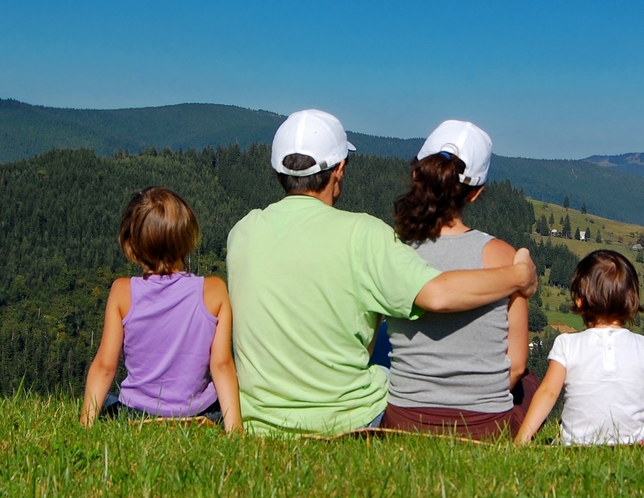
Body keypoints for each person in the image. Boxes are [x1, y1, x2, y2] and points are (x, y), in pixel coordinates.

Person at [227, 109, 538, 436]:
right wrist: (517, 276)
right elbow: (437, 294)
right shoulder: (363, 234)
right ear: (340, 170)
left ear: (279, 172)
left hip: (256, 421)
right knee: (526, 382)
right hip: (346, 420)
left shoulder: (242, 232)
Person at [382, 120, 539, 439]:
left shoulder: (392, 250)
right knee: (531, 382)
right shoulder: (504, 256)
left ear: (417, 175)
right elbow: (516, 364)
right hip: (484, 426)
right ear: (476, 193)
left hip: (404, 421)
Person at [80, 187, 242, 432]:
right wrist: (234, 429)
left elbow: (105, 367)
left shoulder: (123, 292)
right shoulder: (214, 291)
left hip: (137, 414)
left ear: (131, 245)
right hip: (200, 413)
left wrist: (85, 425)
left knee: (111, 404)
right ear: (188, 237)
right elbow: (221, 365)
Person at [514, 249, 644, 446]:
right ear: (632, 300)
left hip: (576, 447)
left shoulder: (566, 345)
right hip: (634, 448)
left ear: (580, 301)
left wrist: (521, 441)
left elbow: (548, 392)